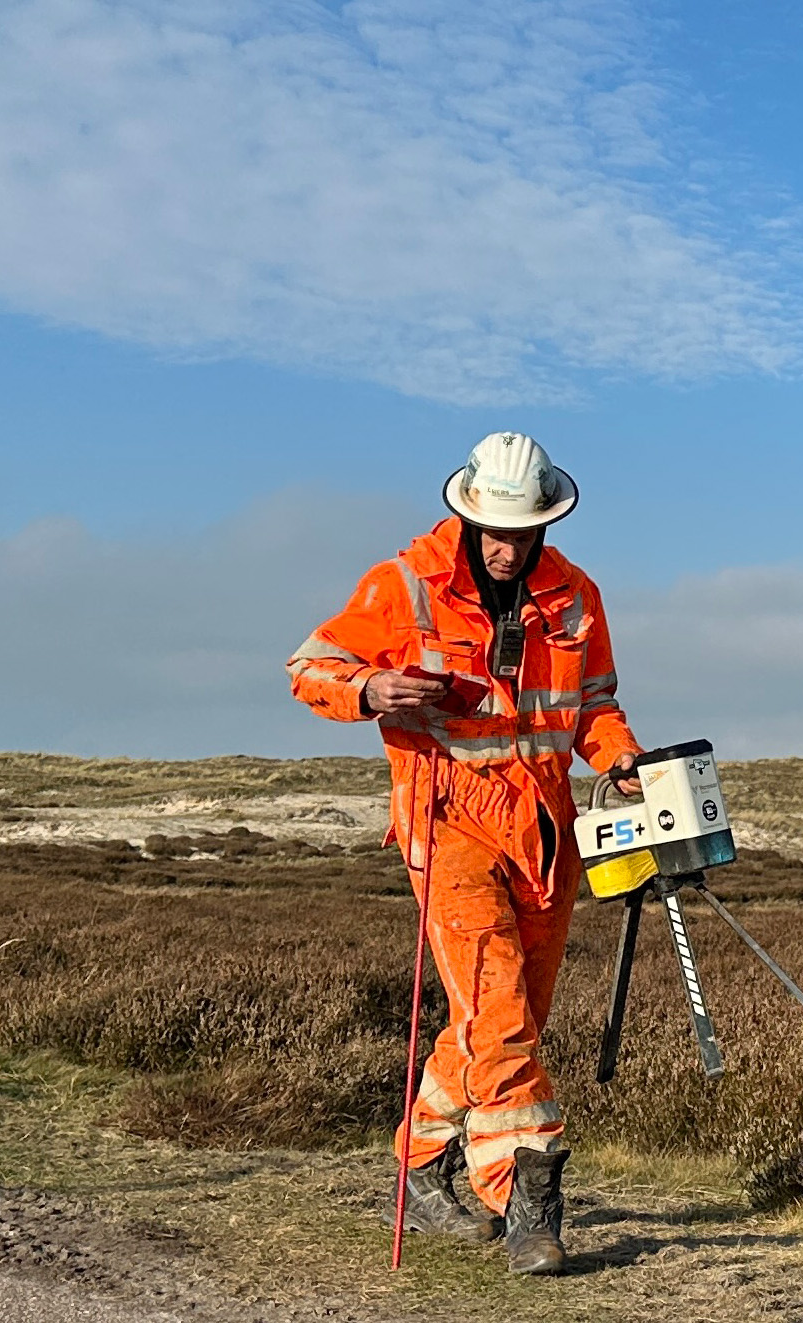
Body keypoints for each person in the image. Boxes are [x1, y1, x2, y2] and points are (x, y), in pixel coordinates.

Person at [286, 432, 641, 1276]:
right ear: (465, 510)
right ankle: (527, 1193)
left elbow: (592, 701)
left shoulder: (577, 596)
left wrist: (619, 758)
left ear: (546, 522)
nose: (505, 546)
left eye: (522, 531)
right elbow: (309, 668)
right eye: (492, 528)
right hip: (447, 822)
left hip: (546, 830)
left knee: (500, 1016)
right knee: (500, 1010)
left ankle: (418, 1164)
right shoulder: (402, 583)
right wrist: (370, 689)